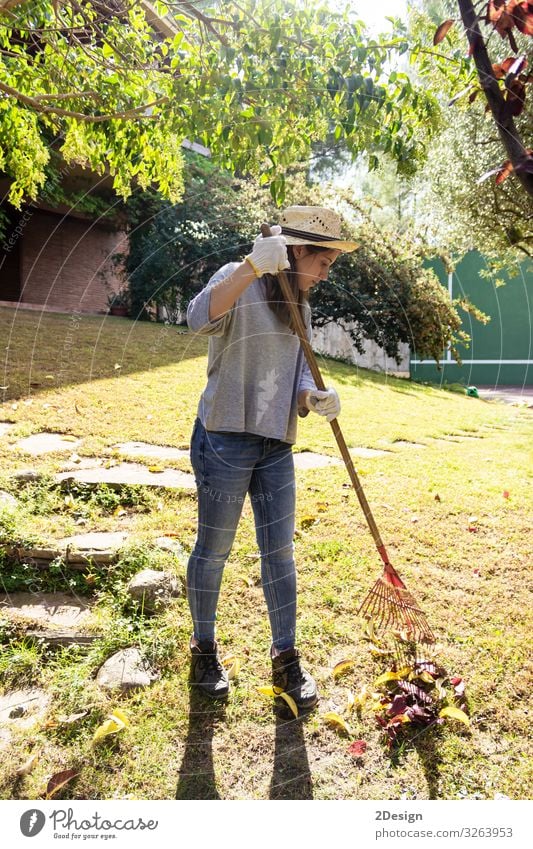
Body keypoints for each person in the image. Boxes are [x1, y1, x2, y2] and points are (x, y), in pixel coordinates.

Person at [186, 205, 357, 706]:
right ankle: (204, 648)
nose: (326, 274)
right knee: (214, 550)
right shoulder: (238, 278)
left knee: (279, 552)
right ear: (298, 250)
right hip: (224, 437)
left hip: (276, 443)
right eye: (323, 262)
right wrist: (249, 268)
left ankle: (286, 659)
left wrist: (311, 399)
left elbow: (299, 367)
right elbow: (197, 321)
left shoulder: (298, 302)